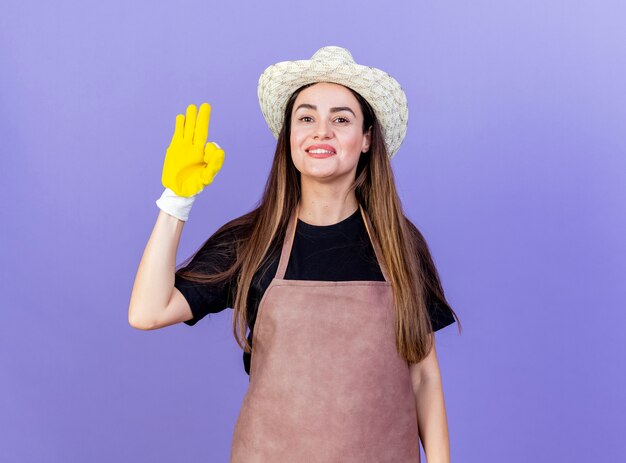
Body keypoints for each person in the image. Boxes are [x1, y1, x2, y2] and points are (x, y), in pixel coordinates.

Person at [129, 45, 461, 463]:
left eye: (341, 119)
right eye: (306, 118)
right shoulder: (252, 240)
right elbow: (147, 311)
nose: (321, 131)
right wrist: (177, 199)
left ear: (366, 140)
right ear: (289, 138)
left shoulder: (400, 245)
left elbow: (423, 377)